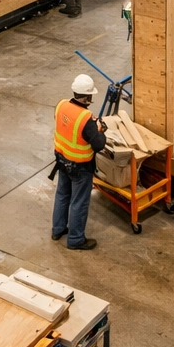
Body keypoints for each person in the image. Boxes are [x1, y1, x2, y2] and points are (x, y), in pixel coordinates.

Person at [51, 73, 106, 251]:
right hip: (80, 167)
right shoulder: (86, 118)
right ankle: (75, 239)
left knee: (62, 194)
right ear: (87, 97)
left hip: (62, 159)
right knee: (79, 202)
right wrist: (100, 130)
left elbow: (66, 126)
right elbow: (98, 144)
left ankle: (58, 229)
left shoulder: (61, 105)